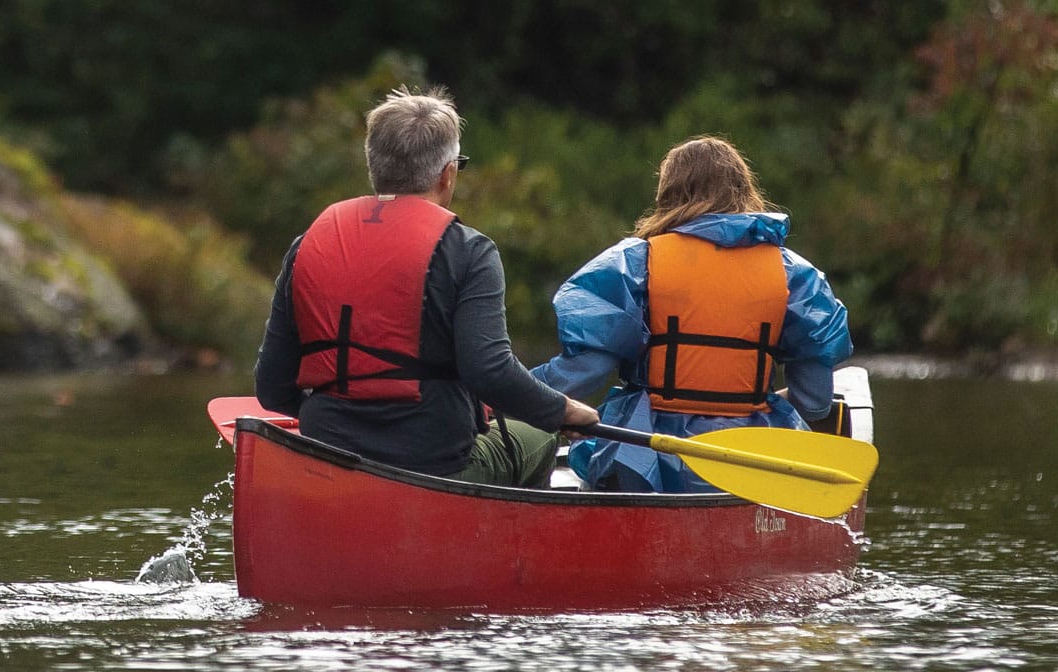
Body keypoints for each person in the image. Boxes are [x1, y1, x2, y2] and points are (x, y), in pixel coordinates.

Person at [254, 85, 598, 487]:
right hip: (434, 464)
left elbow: (272, 387)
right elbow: (489, 372)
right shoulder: (470, 251)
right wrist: (563, 411)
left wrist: (336, 423)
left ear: (373, 165)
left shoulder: (306, 246)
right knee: (538, 437)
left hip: (328, 451)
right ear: (448, 173)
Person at [531, 135, 852, 493]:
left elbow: (584, 374)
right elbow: (815, 402)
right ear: (744, 191)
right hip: (753, 461)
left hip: (645, 460)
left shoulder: (636, 263)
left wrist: (505, 392)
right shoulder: (796, 274)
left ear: (667, 194)